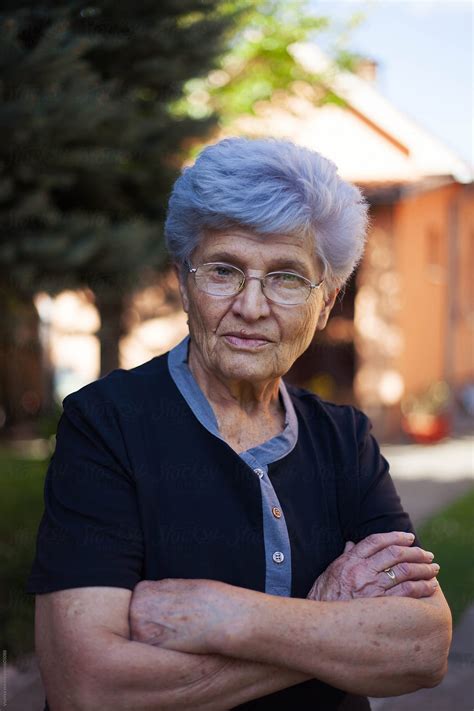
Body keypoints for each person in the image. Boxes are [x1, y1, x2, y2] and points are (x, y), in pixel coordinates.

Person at [27, 137, 452, 710]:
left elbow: (423, 648)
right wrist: (330, 624)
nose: (252, 307)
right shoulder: (107, 425)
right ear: (184, 281)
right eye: (224, 270)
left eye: (286, 278)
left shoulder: (344, 439)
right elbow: (90, 688)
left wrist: (231, 617)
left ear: (324, 304)